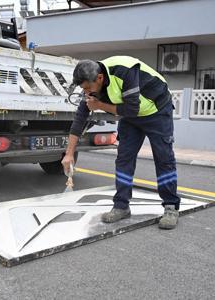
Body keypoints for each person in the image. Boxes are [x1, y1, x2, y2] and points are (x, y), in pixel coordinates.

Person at [61, 56, 181, 229]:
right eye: (83, 89)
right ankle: (121, 206)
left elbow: (133, 109)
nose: (86, 93)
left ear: (100, 78)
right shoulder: (91, 84)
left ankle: (171, 207)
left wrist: (100, 105)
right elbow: (80, 118)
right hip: (131, 117)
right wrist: (69, 153)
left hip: (157, 110)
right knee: (124, 158)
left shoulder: (125, 71)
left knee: (164, 158)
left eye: (88, 88)